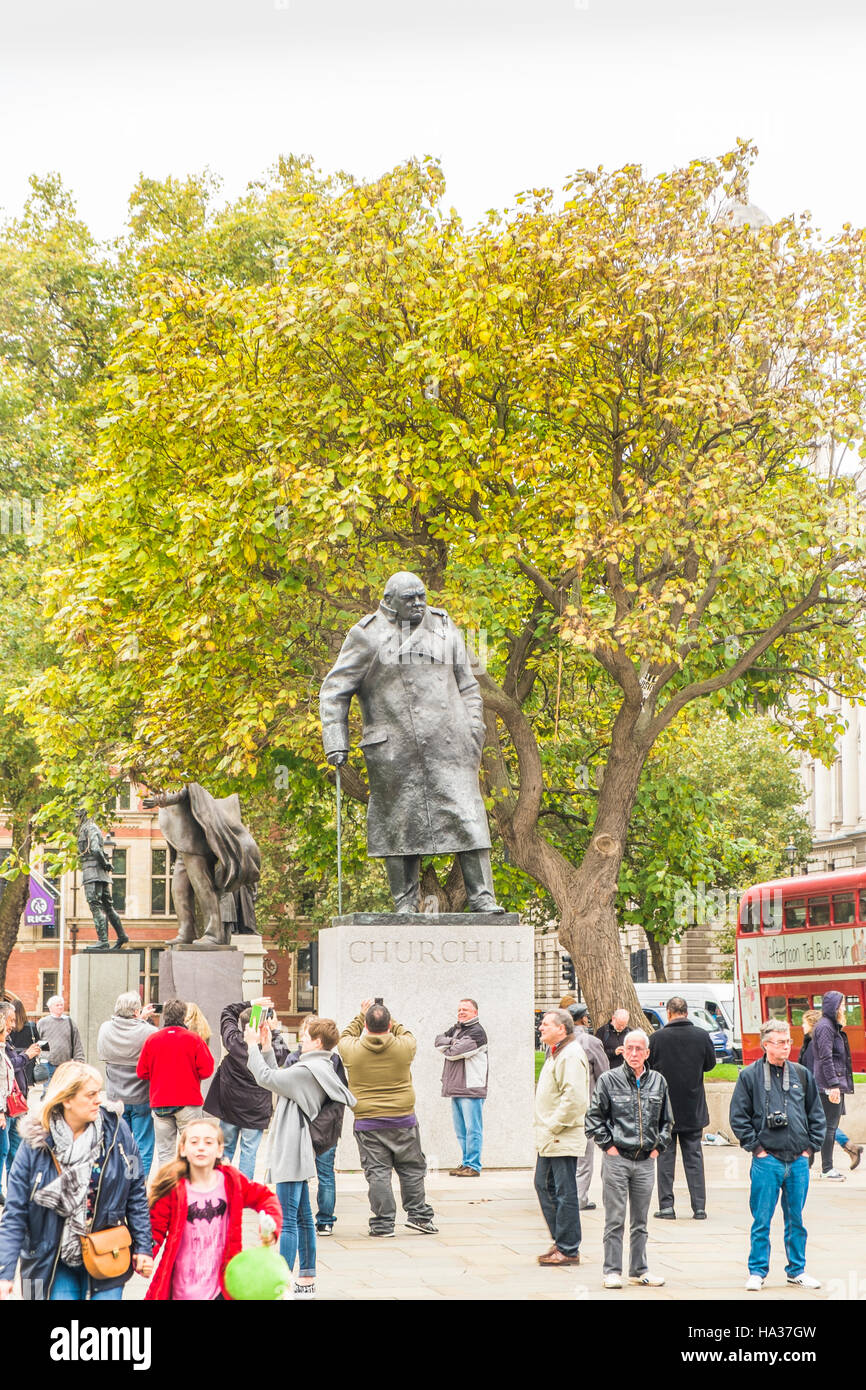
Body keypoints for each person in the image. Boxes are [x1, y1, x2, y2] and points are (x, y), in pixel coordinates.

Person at [320, 571, 502, 914]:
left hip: (451, 745)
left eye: (422, 596)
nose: (419, 603)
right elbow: (334, 691)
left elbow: (468, 686)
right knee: (400, 823)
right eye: (410, 599)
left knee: (468, 816)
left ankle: (482, 897)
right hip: (394, 750)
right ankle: (404, 902)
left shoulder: (445, 627)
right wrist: (335, 741)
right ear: (389, 602)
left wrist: (473, 728)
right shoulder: (367, 636)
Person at [0, 1061, 153, 1301]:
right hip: (50, 1256)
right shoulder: (34, 1143)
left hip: (107, 1250)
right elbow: (15, 1212)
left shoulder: (118, 1132)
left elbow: (136, 1191)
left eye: (98, 1092)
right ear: (66, 1099)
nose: (98, 1100)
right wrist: (5, 1272)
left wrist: (144, 1247)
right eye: (90, 1095)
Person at [245, 1014, 354, 1299]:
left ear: (317, 1041)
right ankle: (306, 1279)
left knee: (287, 1220)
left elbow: (265, 1077)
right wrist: (267, 1049)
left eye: (305, 1036)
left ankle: (281, 1283)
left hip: (292, 1150)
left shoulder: (309, 1070)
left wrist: (252, 1046)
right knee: (304, 1218)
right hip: (298, 1147)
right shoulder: (319, 1066)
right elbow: (279, 1081)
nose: (300, 1040)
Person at [729, 1018, 826, 1291]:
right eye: (781, 1042)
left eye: (788, 1042)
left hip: (797, 1159)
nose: (787, 1047)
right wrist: (756, 1148)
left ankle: (797, 1269)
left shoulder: (801, 1074)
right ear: (766, 1045)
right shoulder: (749, 1076)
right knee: (761, 1219)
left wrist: (811, 1147)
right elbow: (738, 1117)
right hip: (767, 1159)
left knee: (796, 1219)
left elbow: (816, 1114)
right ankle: (757, 1271)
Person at [146, 1115, 282, 1300]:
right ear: (183, 1149)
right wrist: (144, 1255)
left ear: (219, 1150)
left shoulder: (231, 1181)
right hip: (182, 1288)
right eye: (194, 1142)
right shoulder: (174, 1188)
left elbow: (264, 1196)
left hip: (221, 1286)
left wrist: (271, 1224)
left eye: (208, 1142)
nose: (201, 1146)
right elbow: (154, 1230)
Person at [339, 999, 438, 1236]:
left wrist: (360, 1015)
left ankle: (383, 1224)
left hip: (368, 1121)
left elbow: (345, 1035)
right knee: (412, 1169)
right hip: (403, 1119)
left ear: (365, 1024)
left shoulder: (352, 1050)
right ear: (390, 1023)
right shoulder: (405, 1047)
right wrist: (392, 1023)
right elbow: (406, 1032)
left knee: (377, 1172)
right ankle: (419, 1216)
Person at [586, 1028, 673, 1289]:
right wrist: (608, 1146)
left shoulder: (658, 1081)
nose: (634, 1053)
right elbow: (593, 1118)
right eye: (629, 1048)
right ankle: (612, 1270)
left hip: (646, 1160)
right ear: (622, 1051)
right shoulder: (609, 1080)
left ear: (647, 1053)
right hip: (617, 1158)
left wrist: (658, 1147)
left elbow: (667, 1121)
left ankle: (639, 1269)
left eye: (639, 1049)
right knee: (615, 1218)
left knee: (641, 1220)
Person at [204, 997, 288, 1181]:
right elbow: (283, 1056)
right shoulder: (270, 1047)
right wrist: (274, 1031)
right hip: (256, 1109)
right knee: (249, 1152)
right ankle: (243, 1191)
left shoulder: (234, 1041)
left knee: (225, 1148)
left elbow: (227, 1011)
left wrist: (252, 1004)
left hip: (230, 1106)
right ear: (263, 1025)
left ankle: (222, 1185)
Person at [648, 995, 716, 1221]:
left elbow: (649, 1070)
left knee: (665, 1158)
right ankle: (699, 1207)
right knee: (694, 1157)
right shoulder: (701, 1036)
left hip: (665, 1108)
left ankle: (666, 1206)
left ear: (668, 1013)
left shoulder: (657, 1038)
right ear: (686, 1012)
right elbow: (710, 1064)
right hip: (693, 1105)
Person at [282, 1014, 347, 1236]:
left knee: (301, 1174)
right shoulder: (334, 1060)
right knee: (325, 1173)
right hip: (326, 1125)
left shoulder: (294, 1059)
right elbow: (340, 1092)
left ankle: (303, 1218)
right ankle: (325, 1221)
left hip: (301, 1125)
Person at [533, 1009, 589, 1266]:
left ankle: (568, 1247)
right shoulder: (557, 1052)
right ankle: (562, 1241)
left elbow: (575, 1098)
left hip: (560, 1135)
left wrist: (554, 1125)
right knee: (544, 1184)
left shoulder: (570, 1054)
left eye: (546, 1024)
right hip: (551, 1136)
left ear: (562, 1029)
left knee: (564, 1191)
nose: (541, 1027)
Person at [136, 998, 214, 1166]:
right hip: (188, 1102)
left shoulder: (152, 1040)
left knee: (165, 1154)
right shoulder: (194, 1040)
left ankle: (169, 1189)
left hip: (160, 1103)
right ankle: (189, 1188)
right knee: (192, 1151)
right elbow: (207, 1070)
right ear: (183, 1016)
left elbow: (141, 1072)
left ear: (165, 1016)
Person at [97, 991, 159, 1181]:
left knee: (117, 1142)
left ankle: (118, 1181)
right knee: (142, 1144)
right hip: (141, 1095)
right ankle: (138, 1183)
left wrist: (139, 1018)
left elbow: (103, 1055)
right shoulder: (149, 1032)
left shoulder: (106, 1028)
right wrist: (142, 1020)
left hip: (116, 1096)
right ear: (135, 1011)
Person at [798, 1009, 862, 1169]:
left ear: (812, 1025)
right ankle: (847, 1147)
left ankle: (823, 1163)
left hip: (819, 1091)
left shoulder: (815, 1043)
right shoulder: (815, 1041)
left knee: (822, 1124)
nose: (801, 1026)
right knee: (823, 1124)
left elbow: (814, 1069)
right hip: (822, 1090)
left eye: (804, 1022)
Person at [434, 998, 489, 1176]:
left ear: (475, 1012)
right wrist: (452, 1043)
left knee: (473, 1129)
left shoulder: (477, 1032)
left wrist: (450, 1045)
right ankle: (466, 1163)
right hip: (456, 1087)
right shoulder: (457, 1029)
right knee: (461, 1130)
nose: (461, 1012)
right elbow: (438, 1041)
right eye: (459, 1009)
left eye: (465, 1009)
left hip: (471, 1088)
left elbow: (455, 1053)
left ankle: (473, 1166)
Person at [811, 990, 854, 1180]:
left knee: (829, 1126)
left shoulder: (829, 1026)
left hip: (830, 1083)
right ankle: (827, 1168)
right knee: (829, 1127)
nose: (844, 1008)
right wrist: (834, 1085)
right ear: (834, 1007)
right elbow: (826, 1058)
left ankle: (819, 1165)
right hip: (828, 1085)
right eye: (842, 1004)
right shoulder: (826, 1028)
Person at [570, 1002, 609, 1210]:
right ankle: (579, 1198)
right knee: (584, 1158)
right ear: (583, 1019)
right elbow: (604, 1074)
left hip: (565, 1107)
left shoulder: (558, 1042)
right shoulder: (590, 1041)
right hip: (586, 1105)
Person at [77, 807, 129, 951]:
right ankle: (122, 935)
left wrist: (105, 863)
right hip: (98, 873)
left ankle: (103, 941)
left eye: (78, 813)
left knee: (95, 906)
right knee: (108, 907)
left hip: (92, 872)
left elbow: (95, 849)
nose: (76, 816)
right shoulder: (88, 828)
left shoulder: (90, 828)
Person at [36, 995, 85, 1081]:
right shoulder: (42, 1022)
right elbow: (36, 1042)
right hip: (47, 1063)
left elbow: (77, 1043)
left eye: (61, 1005)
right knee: (48, 1090)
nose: (60, 1007)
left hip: (65, 1064)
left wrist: (79, 1061)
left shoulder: (70, 1022)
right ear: (50, 1008)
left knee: (63, 1090)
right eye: (57, 1005)